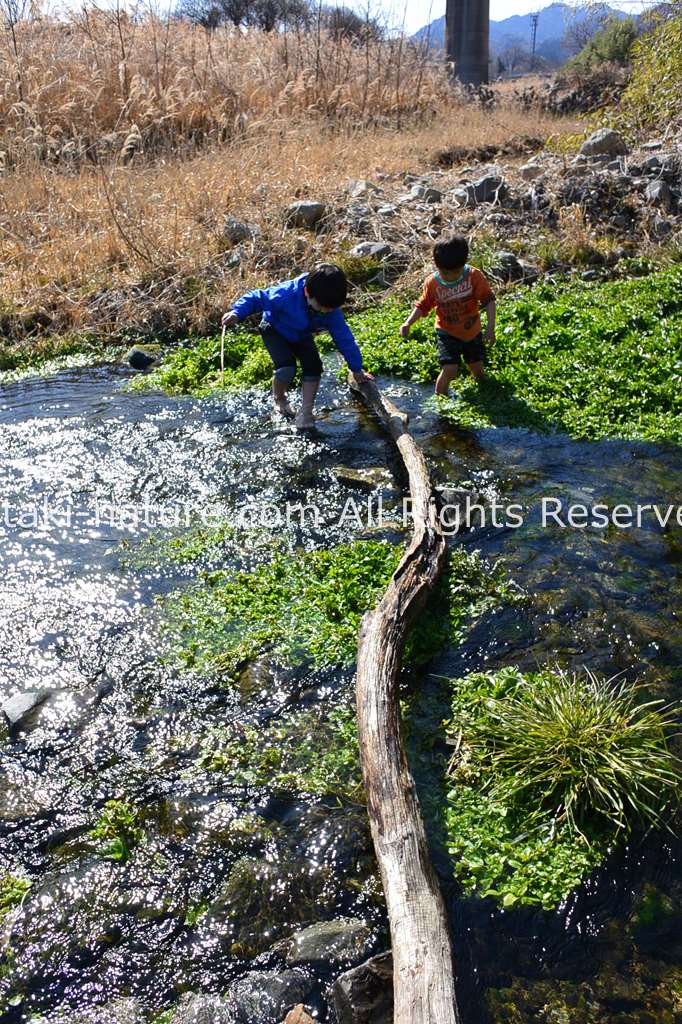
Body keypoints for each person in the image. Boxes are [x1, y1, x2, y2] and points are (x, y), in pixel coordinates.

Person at [221, 264, 372, 429]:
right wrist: (237, 312)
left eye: (330, 309)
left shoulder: (331, 311)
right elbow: (257, 297)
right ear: (307, 292)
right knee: (287, 368)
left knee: (314, 367)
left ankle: (306, 412)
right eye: (321, 308)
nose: (325, 312)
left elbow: (345, 339)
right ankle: (279, 399)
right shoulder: (285, 294)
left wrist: (357, 369)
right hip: (274, 329)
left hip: (301, 334)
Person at [399, 236, 496, 397]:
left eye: (456, 272)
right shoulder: (433, 283)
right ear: (437, 266)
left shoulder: (474, 276)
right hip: (447, 332)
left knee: (477, 367)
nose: (450, 277)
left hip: (472, 330)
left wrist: (490, 328)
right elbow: (423, 305)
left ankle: (486, 392)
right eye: (445, 272)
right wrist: (408, 323)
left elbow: (489, 300)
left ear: (464, 263)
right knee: (450, 369)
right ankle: (440, 398)